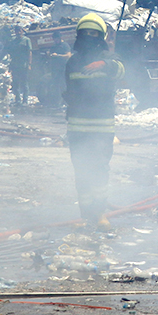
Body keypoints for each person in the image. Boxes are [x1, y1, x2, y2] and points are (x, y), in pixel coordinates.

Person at [64, 13, 124, 229]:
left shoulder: (110, 59)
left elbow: (121, 70)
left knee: (99, 170)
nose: (89, 37)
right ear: (79, 35)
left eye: (94, 33)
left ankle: (99, 214)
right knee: (81, 171)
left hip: (102, 127)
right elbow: (69, 91)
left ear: (101, 37)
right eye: (86, 33)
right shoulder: (72, 62)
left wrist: (104, 64)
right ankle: (85, 213)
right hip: (77, 127)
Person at [7, 25, 32, 105]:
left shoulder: (26, 40)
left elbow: (29, 52)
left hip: (24, 65)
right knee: (16, 83)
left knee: (24, 83)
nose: (18, 32)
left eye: (19, 31)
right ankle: (17, 100)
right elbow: (10, 53)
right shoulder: (13, 41)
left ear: (22, 31)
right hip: (15, 65)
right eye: (16, 31)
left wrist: (29, 64)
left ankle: (25, 100)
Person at [46, 30, 72, 108]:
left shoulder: (65, 45)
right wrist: (49, 55)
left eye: (57, 39)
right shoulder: (54, 46)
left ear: (60, 38)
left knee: (64, 85)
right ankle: (57, 102)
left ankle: (66, 102)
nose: (55, 41)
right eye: (54, 39)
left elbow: (68, 55)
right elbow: (50, 55)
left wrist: (58, 55)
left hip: (63, 68)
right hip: (55, 69)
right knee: (56, 85)